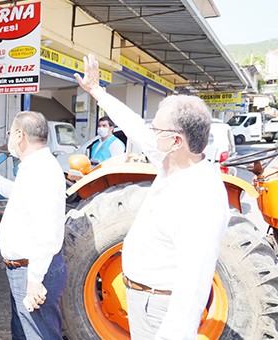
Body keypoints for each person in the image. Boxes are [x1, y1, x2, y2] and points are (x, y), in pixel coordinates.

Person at [75, 54, 228, 339]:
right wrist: (97, 92)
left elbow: (194, 282)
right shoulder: (171, 161)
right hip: (142, 298)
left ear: (176, 141)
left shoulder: (201, 194)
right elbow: (134, 125)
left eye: (157, 129)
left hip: (159, 306)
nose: (151, 133)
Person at [0, 111, 67, 339]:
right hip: (25, 268)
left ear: (19, 135)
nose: (9, 137)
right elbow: (20, 195)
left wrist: (35, 281)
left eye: (10, 132)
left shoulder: (41, 171)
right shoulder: (35, 165)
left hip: (34, 269)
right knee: (23, 332)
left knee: (39, 334)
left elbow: (46, 231)